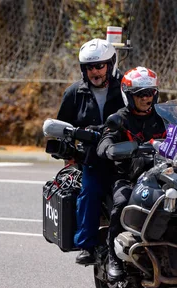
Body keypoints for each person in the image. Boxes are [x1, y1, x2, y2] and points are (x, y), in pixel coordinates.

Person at [56, 38, 124, 265]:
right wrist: (68, 150)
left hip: (126, 157)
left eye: (99, 66)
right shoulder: (75, 93)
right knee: (89, 192)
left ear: (111, 64)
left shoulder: (127, 88)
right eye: (89, 67)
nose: (95, 71)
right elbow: (61, 127)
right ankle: (86, 245)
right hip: (93, 159)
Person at [97, 66, 166, 281]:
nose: (147, 98)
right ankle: (113, 258)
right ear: (129, 96)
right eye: (141, 94)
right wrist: (111, 148)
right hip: (129, 177)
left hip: (162, 175)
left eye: (150, 93)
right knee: (122, 202)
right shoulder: (119, 119)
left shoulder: (162, 117)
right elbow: (104, 143)